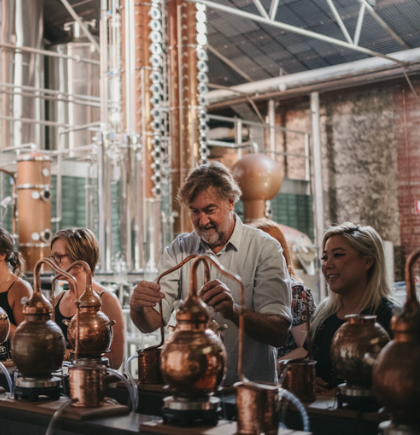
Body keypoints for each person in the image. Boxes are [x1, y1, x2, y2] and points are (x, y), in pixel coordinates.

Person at [129, 162, 292, 385]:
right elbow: (152, 323)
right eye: (195, 211)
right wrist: (137, 308)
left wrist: (234, 311)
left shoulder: (264, 248)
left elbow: (278, 332)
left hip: (249, 391)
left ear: (231, 202)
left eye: (209, 210)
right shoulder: (179, 249)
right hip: (192, 388)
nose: (202, 221)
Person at [310, 223, 396, 393]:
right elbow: (309, 365)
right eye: (325, 257)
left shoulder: (390, 317)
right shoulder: (322, 316)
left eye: (338, 255)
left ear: (368, 261)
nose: (328, 265)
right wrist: (308, 380)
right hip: (322, 416)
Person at [50, 228, 126, 369]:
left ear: (80, 261)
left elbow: (115, 359)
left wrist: (67, 354)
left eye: (59, 256)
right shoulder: (59, 298)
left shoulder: (106, 299)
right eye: (52, 257)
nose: (54, 263)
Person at [248, 219, 315, 360]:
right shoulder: (247, 290)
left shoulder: (296, 293)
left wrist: (275, 368)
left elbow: (308, 348)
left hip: (284, 378)